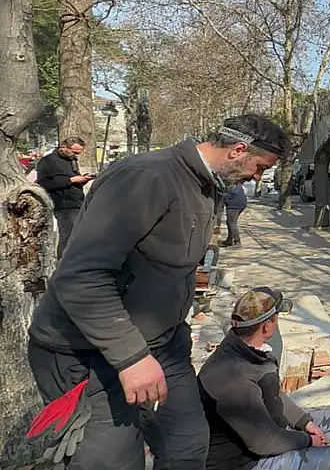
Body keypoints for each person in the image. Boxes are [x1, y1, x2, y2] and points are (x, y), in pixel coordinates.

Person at [26, 114, 289, 470]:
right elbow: (82, 276)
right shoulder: (146, 177)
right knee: (114, 462)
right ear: (238, 150)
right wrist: (131, 358)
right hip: (87, 352)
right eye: (259, 167)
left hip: (163, 346)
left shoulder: (208, 186)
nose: (258, 177)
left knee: (188, 446)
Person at [198, 287, 330, 470]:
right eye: (276, 318)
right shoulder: (235, 378)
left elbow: (273, 394)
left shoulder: (243, 349)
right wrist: (306, 440)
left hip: (259, 434)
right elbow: (263, 440)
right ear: (266, 326)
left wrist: (303, 421)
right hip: (240, 462)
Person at [36, 136, 92, 256]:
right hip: (63, 204)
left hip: (77, 202)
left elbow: (73, 179)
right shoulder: (48, 161)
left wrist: (83, 179)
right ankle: (62, 264)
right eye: (74, 152)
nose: (76, 155)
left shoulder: (72, 160)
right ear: (63, 147)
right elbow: (43, 183)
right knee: (67, 236)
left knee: (77, 236)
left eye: (79, 153)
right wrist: (71, 180)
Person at [221, 183, 248, 247]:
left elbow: (226, 195)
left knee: (232, 223)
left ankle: (237, 242)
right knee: (229, 222)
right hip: (240, 203)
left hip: (234, 204)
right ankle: (229, 240)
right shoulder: (236, 181)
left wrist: (225, 201)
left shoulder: (229, 183)